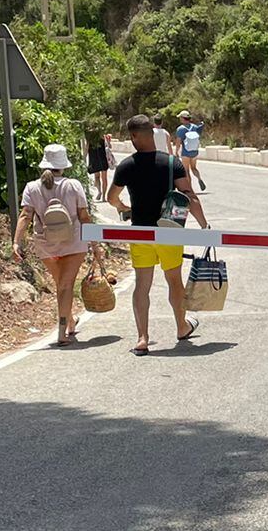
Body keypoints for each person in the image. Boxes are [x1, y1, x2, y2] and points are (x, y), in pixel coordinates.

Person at [106, 114, 210, 354]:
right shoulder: (171, 163)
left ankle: (142, 338)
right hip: (169, 231)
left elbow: (112, 197)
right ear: (152, 134)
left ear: (133, 137)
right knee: (174, 280)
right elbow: (189, 196)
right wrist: (204, 226)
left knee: (142, 285)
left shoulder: (127, 166)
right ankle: (181, 327)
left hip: (141, 233)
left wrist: (123, 209)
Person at [14, 144, 94, 346]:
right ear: (63, 165)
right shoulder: (73, 185)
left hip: (45, 244)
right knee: (65, 286)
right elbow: (84, 216)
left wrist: (16, 242)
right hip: (73, 242)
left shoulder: (32, 187)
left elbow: (25, 215)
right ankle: (61, 332)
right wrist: (96, 244)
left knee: (61, 286)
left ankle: (70, 321)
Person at [174, 108, 207, 192]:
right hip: (194, 151)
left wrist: (176, 151)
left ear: (182, 118)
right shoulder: (195, 127)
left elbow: (178, 142)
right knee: (194, 168)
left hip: (186, 152)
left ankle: (190, 188)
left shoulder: (181, 129)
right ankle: (199, 178)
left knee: (186, 170)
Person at [86, 127, 111, 201]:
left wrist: (84, 158)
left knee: (97, 177)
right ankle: (103, 196)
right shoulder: (103, 137)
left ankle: (100, 192)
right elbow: (109, 146)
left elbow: (86, 149)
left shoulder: (90, 139)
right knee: (104, 178)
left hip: (94, 159)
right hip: (102, 159)